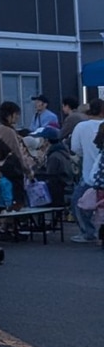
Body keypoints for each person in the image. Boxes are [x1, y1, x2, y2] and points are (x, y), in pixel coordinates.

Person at [69, 99, 104, 242]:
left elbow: (75, 148)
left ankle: (88, 232)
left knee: (78, 203)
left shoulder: (81, 127)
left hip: (89, 174)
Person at [0, 102, 33, 208]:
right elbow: (18, 153)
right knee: (16, 196)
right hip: (10, 170)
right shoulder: (9, 131)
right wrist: (27, 170)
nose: (18, 117)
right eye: (16, 114)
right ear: (10, 115)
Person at [41, 126, 76, 210]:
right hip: (68, 190)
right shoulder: (62, 153)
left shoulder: (54, 157)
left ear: (46, 141)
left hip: (59, 195)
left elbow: (51, 177)